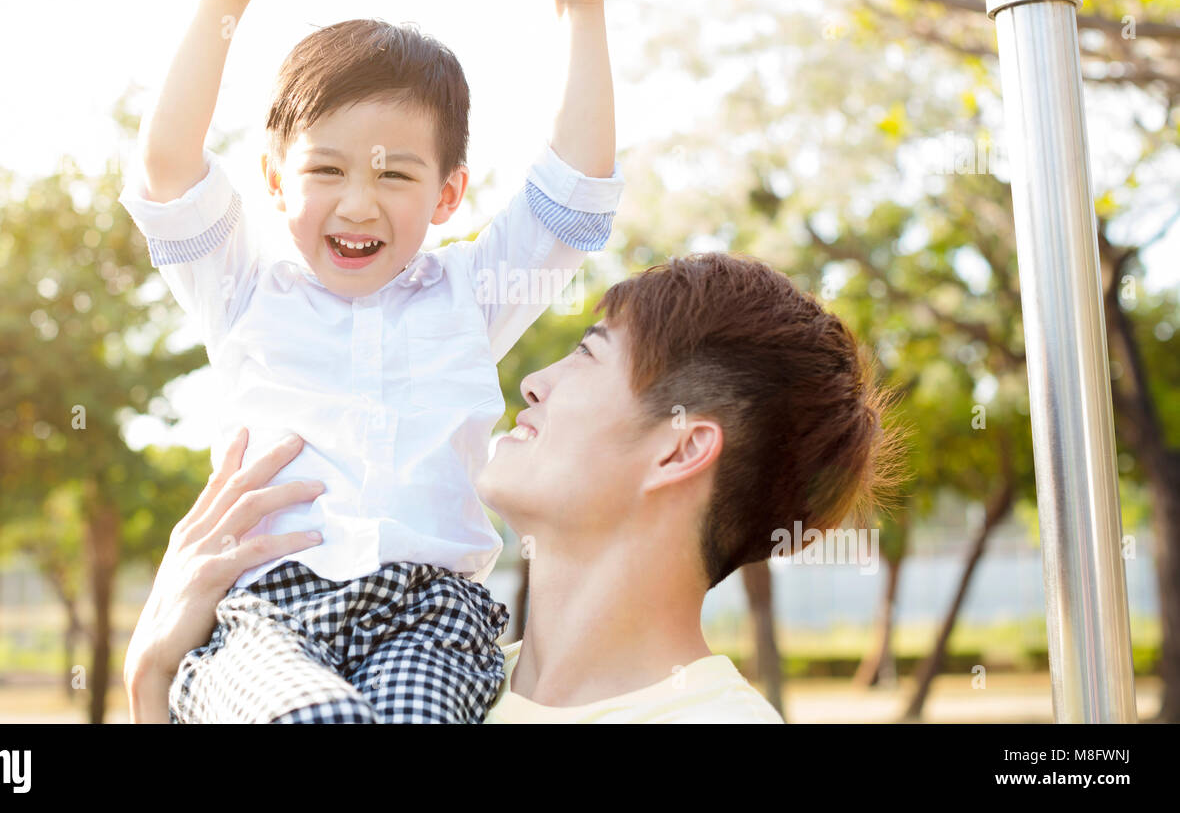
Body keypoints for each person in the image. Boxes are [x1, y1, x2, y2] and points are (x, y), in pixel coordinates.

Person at [116, 0, 626, 723]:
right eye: (326, 171)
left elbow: (575, 196)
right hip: (270, 617)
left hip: (430, 620)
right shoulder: (244, 293)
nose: (358, 205)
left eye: (394, 175)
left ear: (447, 195)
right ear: (276, 180)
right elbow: (167, 169)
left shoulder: (471, 295)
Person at [125, 251, 902, 722]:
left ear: (680, 448)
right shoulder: (431, 680)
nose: (532, 381)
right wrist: (152, 683)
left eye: (588, 356)